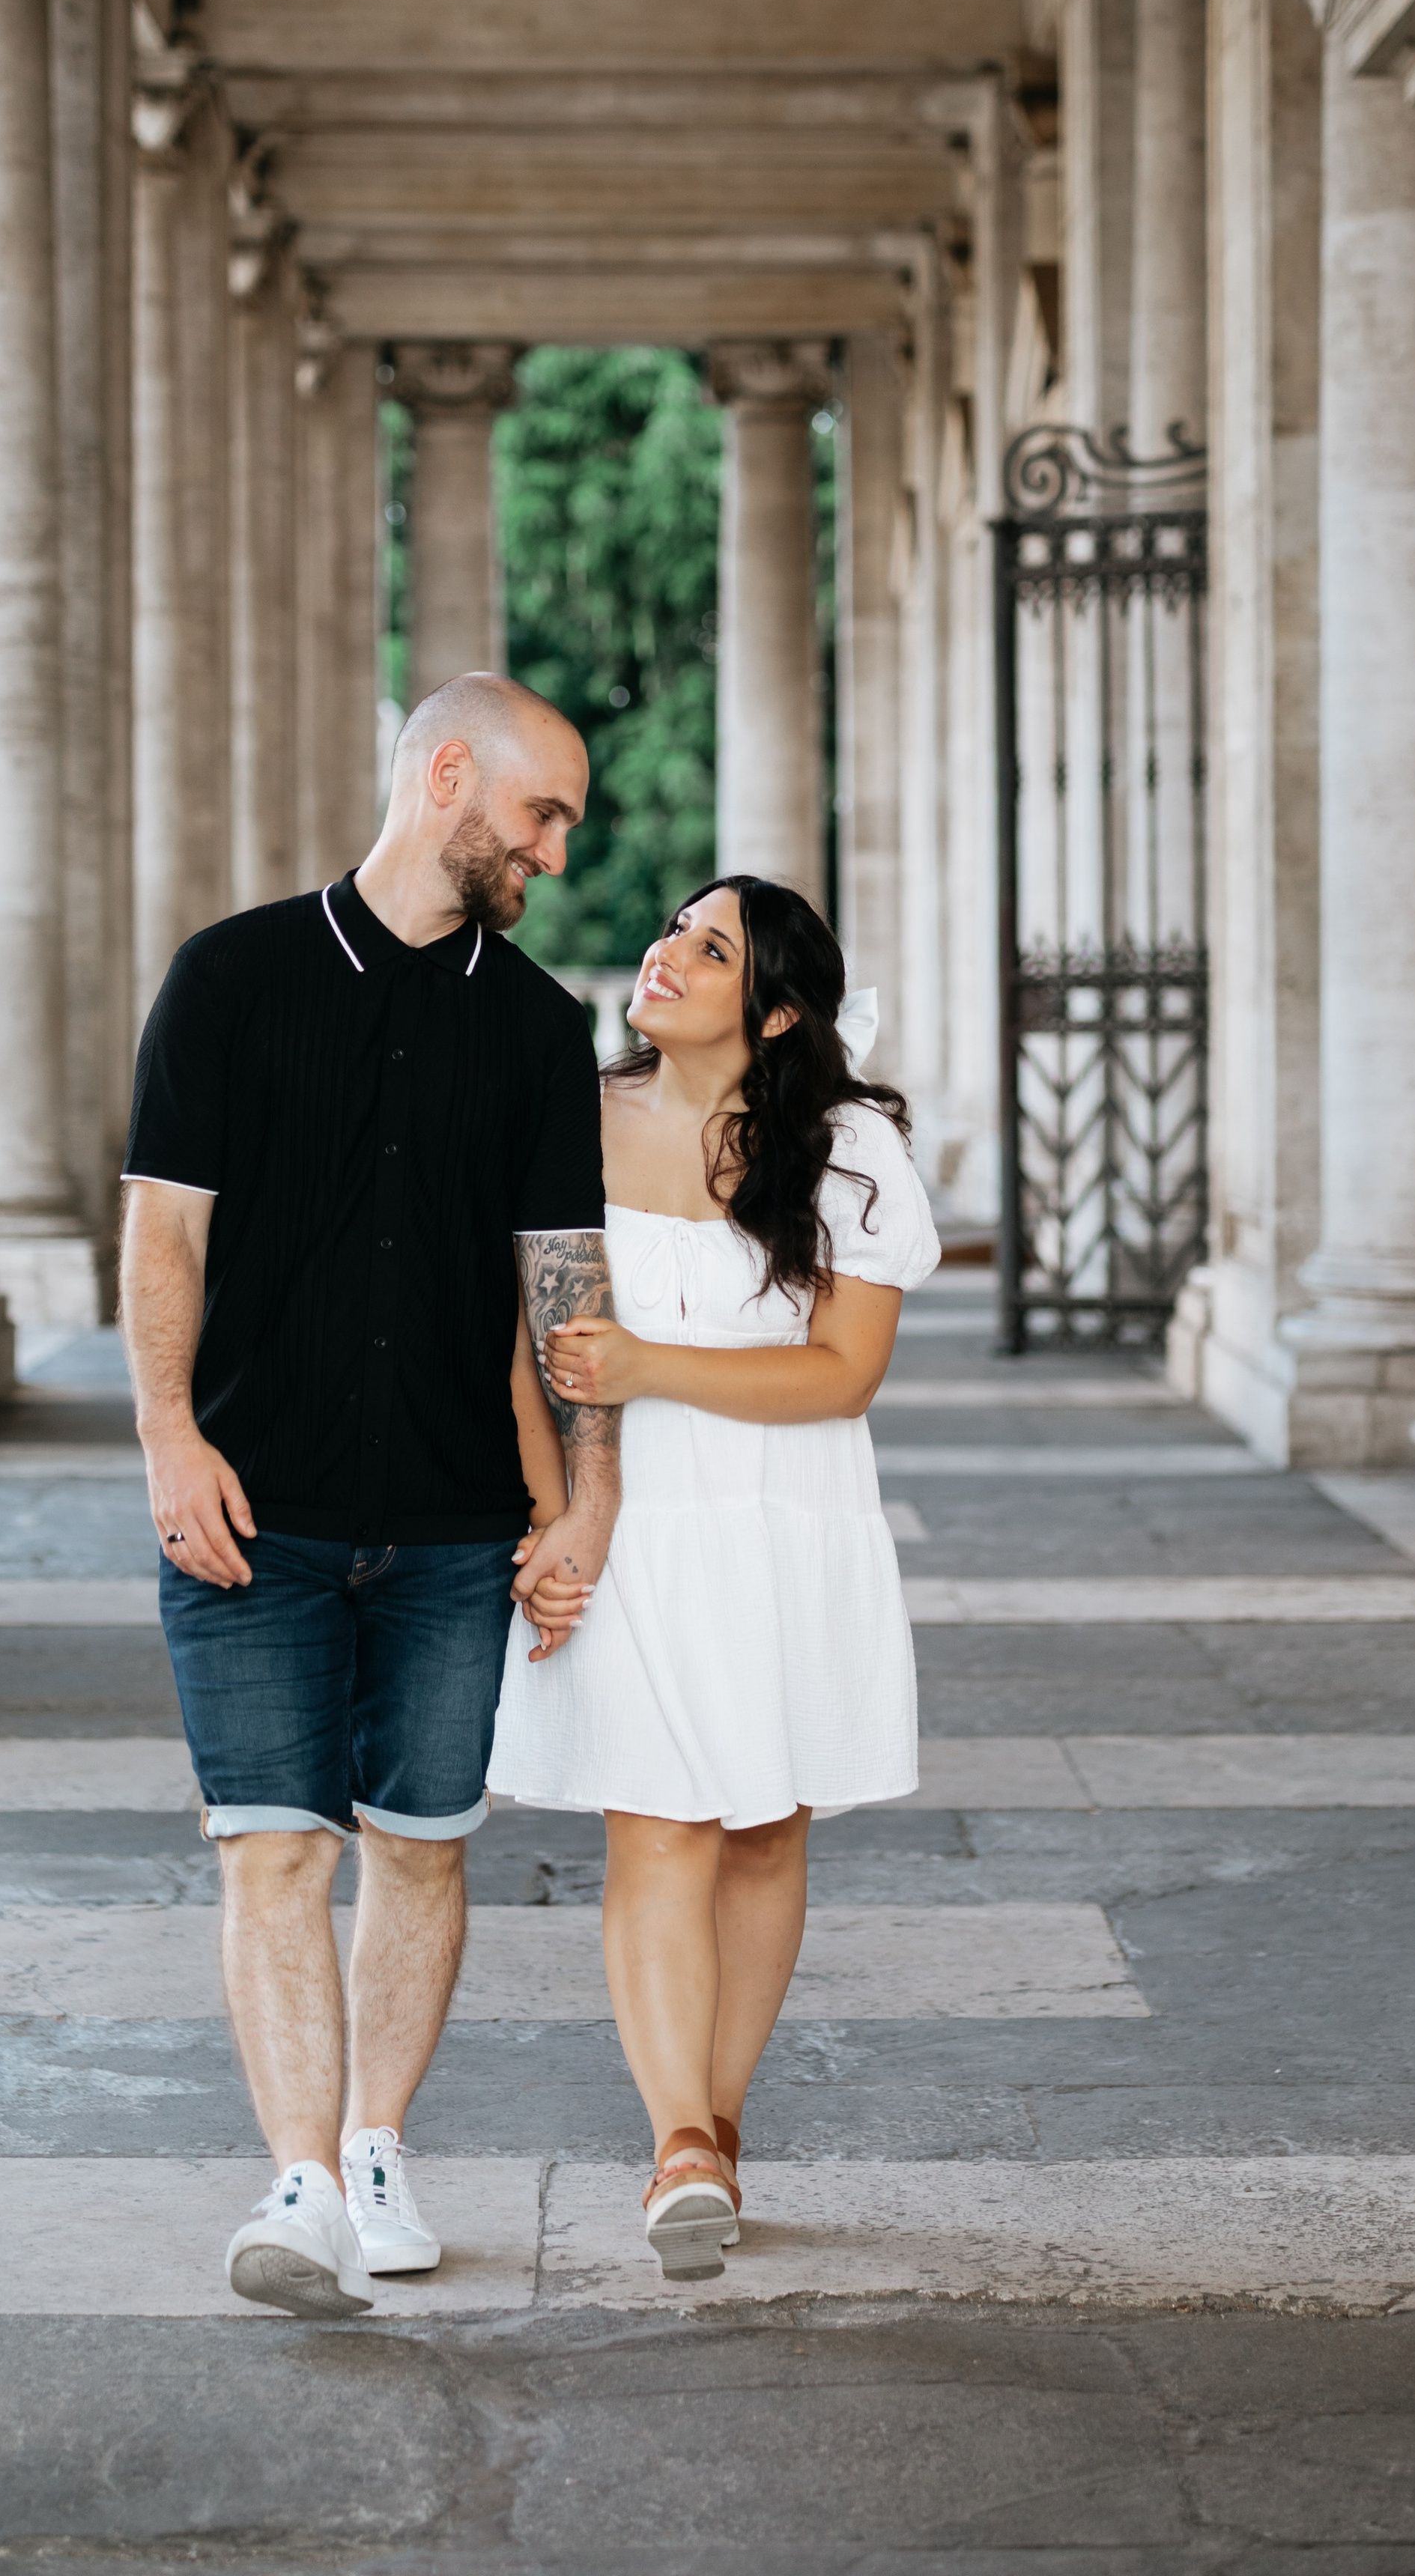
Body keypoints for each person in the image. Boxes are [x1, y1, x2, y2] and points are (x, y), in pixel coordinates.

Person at [118, 673, 620, 2318]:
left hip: (458, 1525)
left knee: (419, 1849)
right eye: (541, 812)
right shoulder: (229, 976)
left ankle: (377, 2143)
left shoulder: (536, 1028)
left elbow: (564, 1281)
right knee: (270, 1852)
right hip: (248, 1506)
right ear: (449, 774)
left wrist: (587, 1496)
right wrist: (167, 1436)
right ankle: (302, 2182)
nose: (554, 851)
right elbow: (165, 1230)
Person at [486, 874, 938, 2279]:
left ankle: (719, 2125)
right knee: (658, 1827)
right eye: (674, 928)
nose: (666, 952)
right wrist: (552, 1523)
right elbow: (521, 1354)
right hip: (636, 1529)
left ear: (778, 1009)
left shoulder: (848, 1146)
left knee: (765, 1831)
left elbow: (843, 1375)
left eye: (713, 945)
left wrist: (649, 1364)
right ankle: (678, 2138)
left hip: (790, 1521)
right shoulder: (568, 1118)